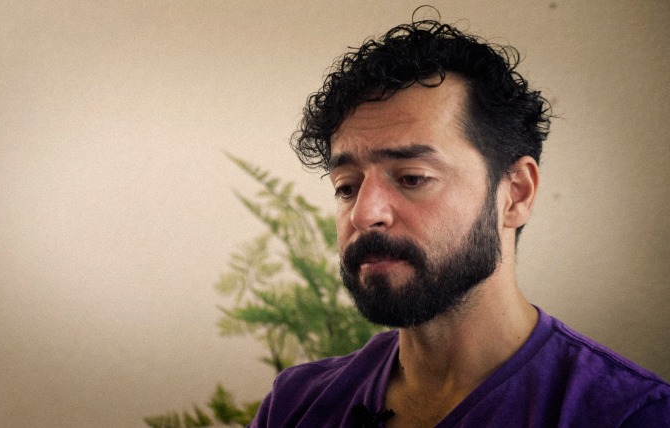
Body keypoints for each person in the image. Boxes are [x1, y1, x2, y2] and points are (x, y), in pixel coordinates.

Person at [248, 13, 670, 428]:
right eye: (347, 186)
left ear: (516, 193)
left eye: (412, 178)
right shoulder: (295, 404)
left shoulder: (628, 414)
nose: (363, 213)